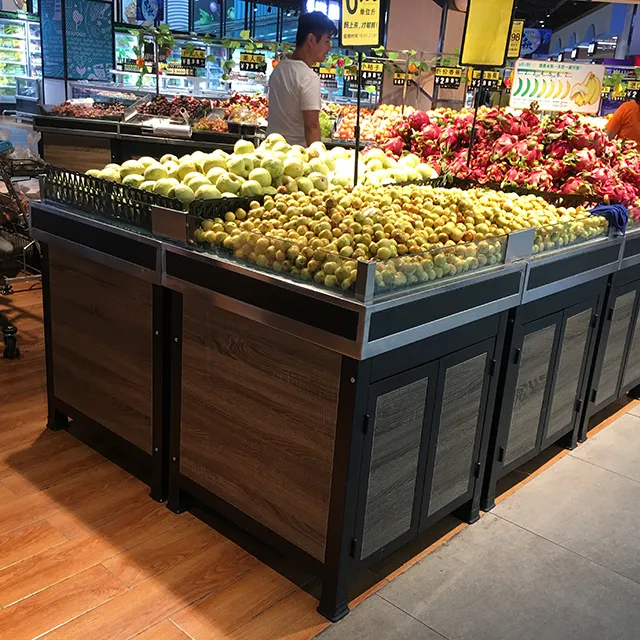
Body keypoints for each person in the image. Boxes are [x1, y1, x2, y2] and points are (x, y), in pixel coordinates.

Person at [267, 11, 336, 147]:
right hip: (296, 157)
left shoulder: (279, 69)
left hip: (271, 149)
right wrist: (317, 160)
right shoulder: (308, 77)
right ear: (311, 40)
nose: (329, 47)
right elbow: (312, 126)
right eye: (326, 41)